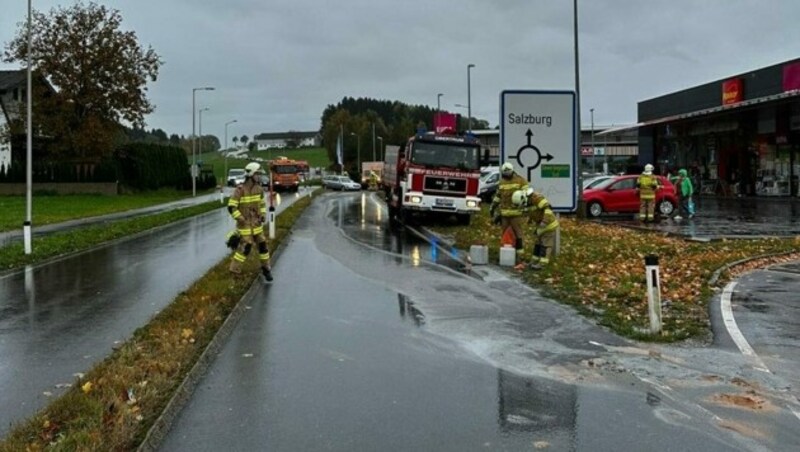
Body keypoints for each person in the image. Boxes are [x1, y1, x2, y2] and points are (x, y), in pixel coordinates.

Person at [227, 162, 273, 282]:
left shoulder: (259, 189)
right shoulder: (240, 190)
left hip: (257, 225)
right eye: (257, 174)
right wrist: (240, 218)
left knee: (263, 246)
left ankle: (266, 269)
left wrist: (263, 215)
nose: (259, 176)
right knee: (244, 248)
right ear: (251, 174)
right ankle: (234, 270)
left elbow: (262, 204)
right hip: (245, 226)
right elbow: (231, 207)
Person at [512, 188, 559, 271]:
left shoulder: (536, 198)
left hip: (549, 224)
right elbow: (533, 210)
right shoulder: (528, 201)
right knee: (537, 243)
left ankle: (542, 264)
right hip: (540, 224)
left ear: (524, 197)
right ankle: (534, 261)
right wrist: (530, 219)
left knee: (545, 244)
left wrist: (544, 222)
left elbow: (548, 209)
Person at [490, 162, 529, 252]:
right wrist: (493, 206)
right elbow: (498, 196)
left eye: (507, 174)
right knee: (505, 234)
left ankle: (519, 255)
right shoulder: (502, 182)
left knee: (517, 233)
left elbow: (526, 196)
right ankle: (505, 253)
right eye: (504, 174)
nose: (506, 176)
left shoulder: (521, 180)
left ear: (512, 171)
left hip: (516, 213)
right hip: (504, 213)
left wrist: (526, 209)